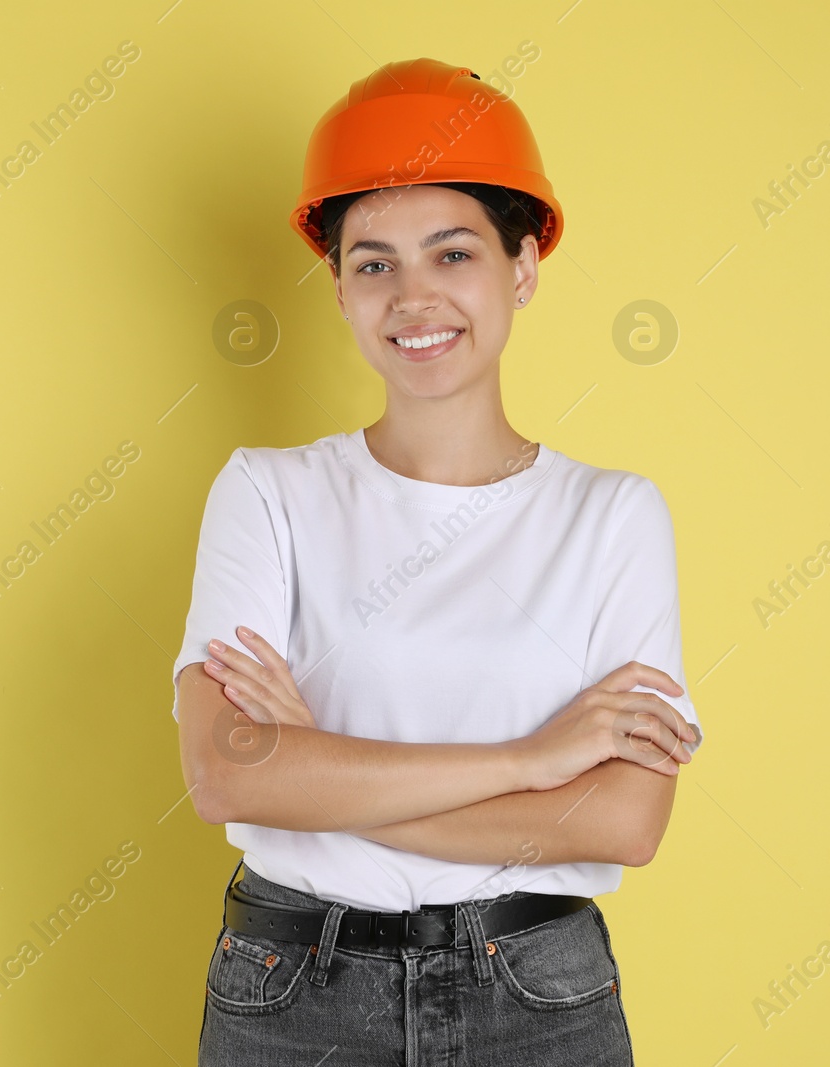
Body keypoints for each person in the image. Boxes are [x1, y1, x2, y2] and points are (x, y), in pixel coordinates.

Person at [172, 56, 703, 1066]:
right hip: (294, 989)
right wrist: (529, 765)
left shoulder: (611, 516)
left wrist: (323, 762)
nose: (413, 298)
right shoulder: (268, 493)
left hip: (536, 990)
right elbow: (226, 770)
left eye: (451, 253)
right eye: (374, 263)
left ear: (523, 266)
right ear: (337, 286)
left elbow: (626, 819)